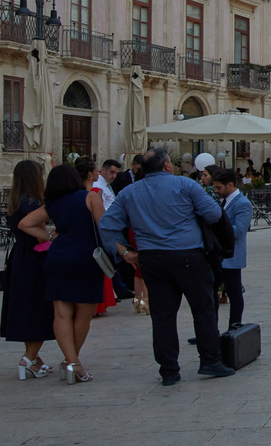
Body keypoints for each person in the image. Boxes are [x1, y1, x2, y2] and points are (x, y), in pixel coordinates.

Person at [99, 148, 235, 385]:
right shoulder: (186, 185)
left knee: (162, 315)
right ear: (167, 166)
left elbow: (107, 225)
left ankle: (169, 370)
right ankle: (210, 361)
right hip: (188, 255)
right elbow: (213, 214)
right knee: (203, 308)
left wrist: (124, 252)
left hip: (151, 258)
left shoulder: (129, 192)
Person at [17, 163, 104, 384]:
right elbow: (104, 227)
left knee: (61, 313)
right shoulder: (90, 197)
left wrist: (49, 237)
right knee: (83, 314)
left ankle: (72, 361)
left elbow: (25, 223)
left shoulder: (52, 204)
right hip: (85, 258)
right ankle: (72, 362)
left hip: (57, 258)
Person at [0, 159, 55, 379]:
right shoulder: (32, 203)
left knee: (26, 307)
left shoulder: (15, 201)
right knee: (39, 309)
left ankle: (34, 359)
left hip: (20, 255)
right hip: (34, 257)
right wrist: (51, 236)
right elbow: (35, 230)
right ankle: (28, 358)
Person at [207, 166, 251, 331]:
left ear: (230, 185)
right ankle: (210, 330)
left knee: (234, 293)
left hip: (231, 257)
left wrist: (214, 227)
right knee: (211, 295)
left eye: (219, 187)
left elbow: (239, 231)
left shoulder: (242, 203)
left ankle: (234, 328)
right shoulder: (221, 201)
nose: (216, 191)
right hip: (216, 256)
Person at [76, 158, 118, 315]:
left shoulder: (77, 194)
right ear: (89, 174)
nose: (98, 173)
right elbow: (101, 222)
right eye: (96, 171)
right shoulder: (94, 194)